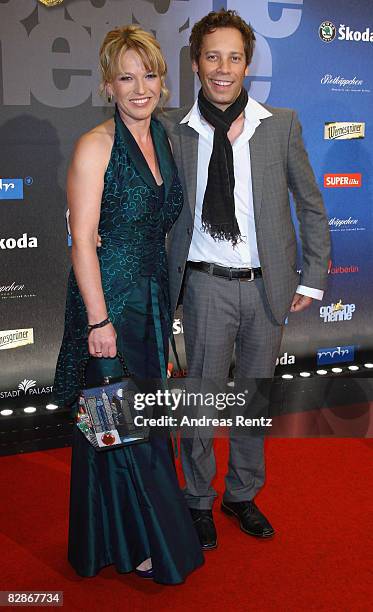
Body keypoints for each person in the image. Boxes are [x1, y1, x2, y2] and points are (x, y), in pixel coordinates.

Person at [160, 9, 330, 549]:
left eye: (234, 57)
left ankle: (241, 495)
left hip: (266, 288)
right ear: (195, 62)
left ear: (247, 64)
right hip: (206, 285)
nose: (223, 68)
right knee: (201, 404)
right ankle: (197, 500)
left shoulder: (280, 124)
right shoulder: (173, 131)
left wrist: (315, 276)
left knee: (253, 401)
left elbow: (310, 205)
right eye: (212, 56)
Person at [53, 25, 203, 584]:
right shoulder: (97, 144)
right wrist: (98, 321)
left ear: (163, 80)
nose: (141, 87)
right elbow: (81, 241)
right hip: (109, 302)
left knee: (121, 424)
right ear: (107, 85)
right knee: (119, 424)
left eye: (150, 74)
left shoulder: (161, 137)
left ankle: (106, 539)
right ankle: (145, 540)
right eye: (126, 77)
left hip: (152, 300)